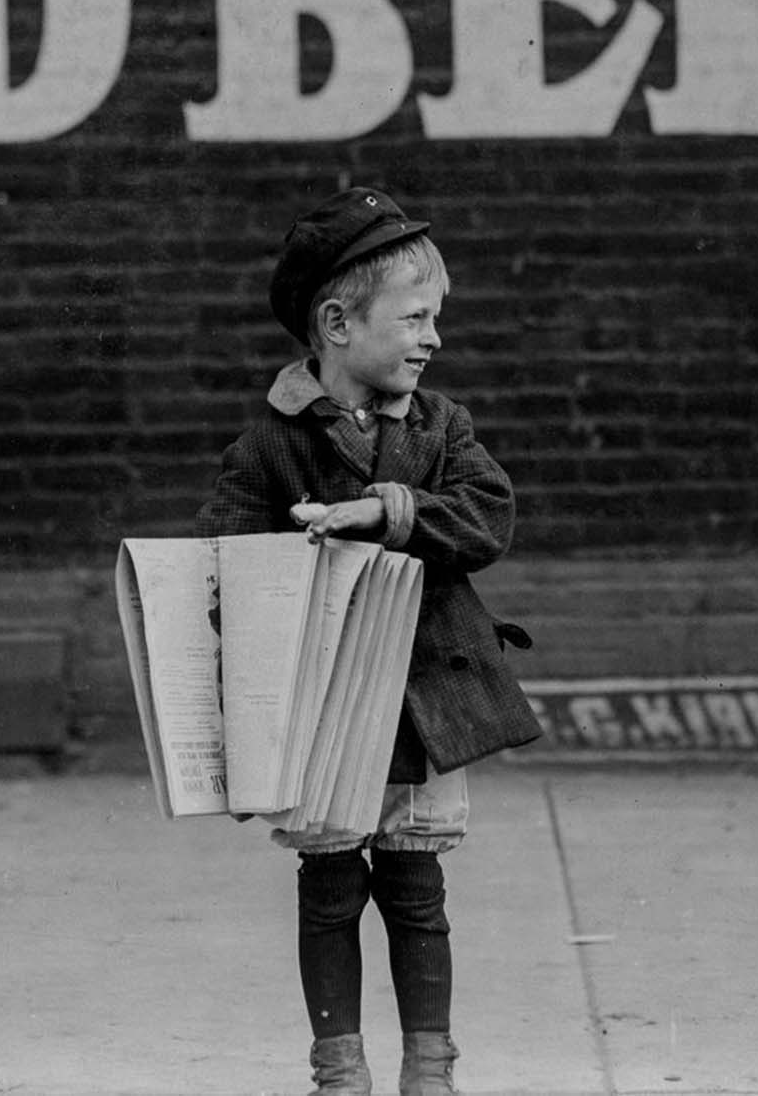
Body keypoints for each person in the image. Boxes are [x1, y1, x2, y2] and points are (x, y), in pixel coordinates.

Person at [196, 186, 543, 1095]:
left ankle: (432, 1066)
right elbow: (222, 573)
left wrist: (385, 512)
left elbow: (487, 516)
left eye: (438, 318)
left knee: (417, 890)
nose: (433, 337)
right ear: (338, 322)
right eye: (416, 317)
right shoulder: (267, 445)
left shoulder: (440, 428)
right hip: (324, 707)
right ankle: (337, 1069)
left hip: (420, 702)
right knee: (330, 891)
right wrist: (286, 563)